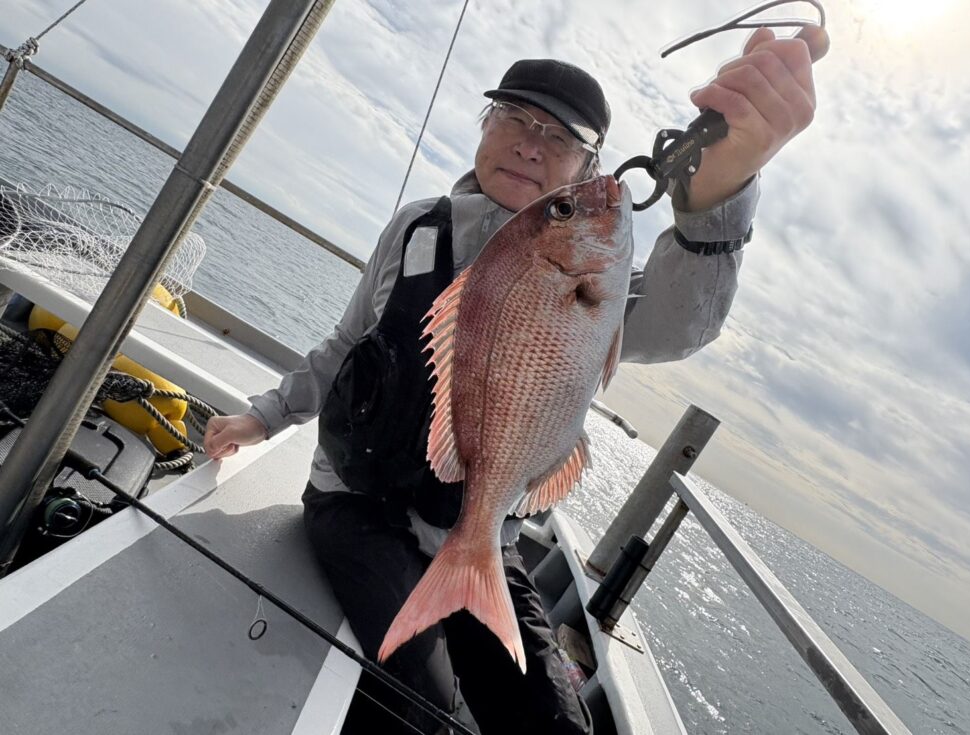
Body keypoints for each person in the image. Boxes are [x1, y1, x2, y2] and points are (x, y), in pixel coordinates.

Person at [205, 26, 829, 735]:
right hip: (357, 500)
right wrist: (263, 416)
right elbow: (350, 341)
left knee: (555, 724)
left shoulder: (597, 280)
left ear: (587, 164)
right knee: (420, 703)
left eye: (559, 139)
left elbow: (685, 318)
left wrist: (722, 192)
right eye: (514, 119)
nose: (531, 144)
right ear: (485, 126)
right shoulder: (415, 228)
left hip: (479, 525)